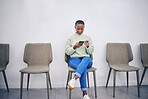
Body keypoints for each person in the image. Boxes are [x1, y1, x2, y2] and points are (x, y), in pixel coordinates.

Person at [65, 20, 94, 99]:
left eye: (81, 29)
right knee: (82, 68)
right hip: (74, 59)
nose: (80, 31)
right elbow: (67, 52)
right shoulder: (70, 38)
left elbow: (91, 51)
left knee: (86, 59)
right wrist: (74, 47)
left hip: (86, 59)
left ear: (84, 28)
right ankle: (85, 94)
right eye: (78, 29)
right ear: (75, 27)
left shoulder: (88, 38)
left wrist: (88, 46)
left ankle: (74, 78)